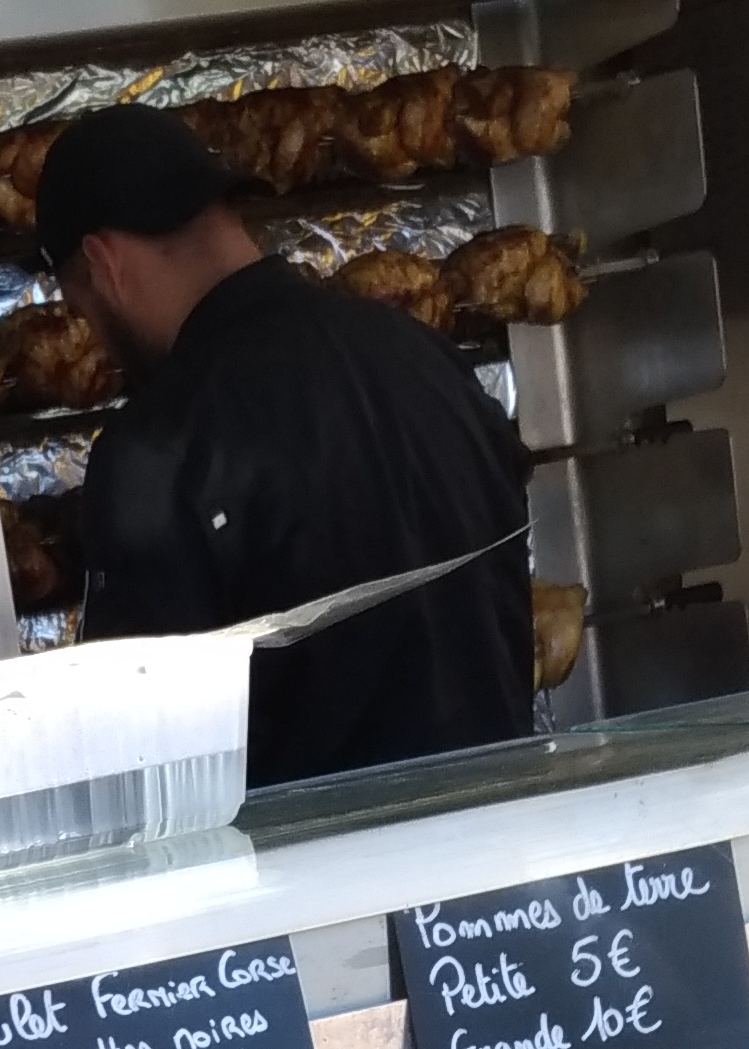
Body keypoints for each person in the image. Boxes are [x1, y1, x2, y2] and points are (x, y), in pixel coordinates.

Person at [34, 103, 534, 791]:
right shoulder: (430, 358)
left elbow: (142, 762)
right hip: (508, 830)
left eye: (82, 307)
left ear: (104, 263)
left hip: (326, 858)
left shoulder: (159, 447)